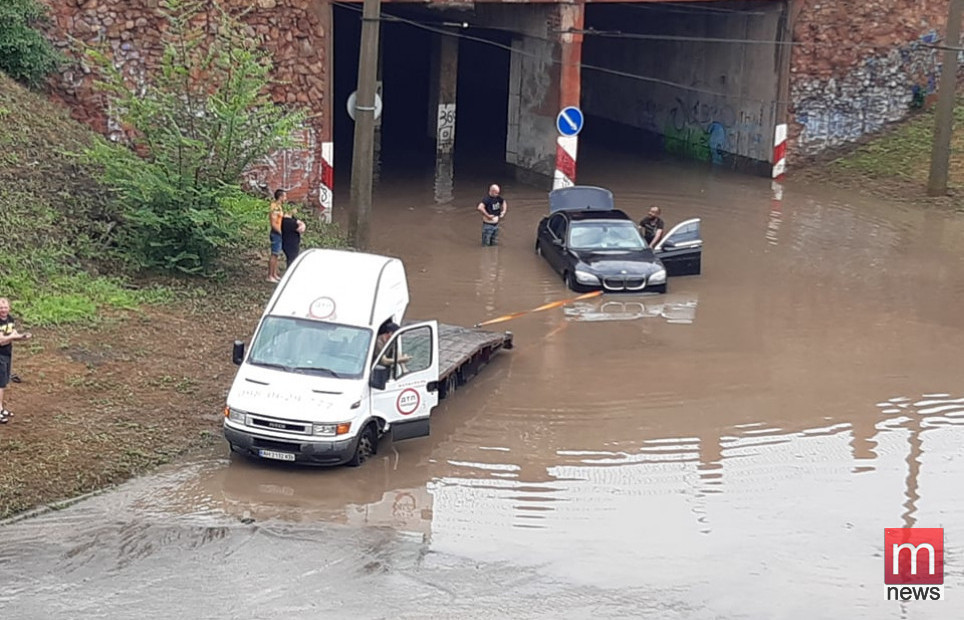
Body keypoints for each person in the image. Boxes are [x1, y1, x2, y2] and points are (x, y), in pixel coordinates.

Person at [0, 298, 31, 424]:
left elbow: (13, 335)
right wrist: (13, 336)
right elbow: (1, 341)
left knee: (4, 382)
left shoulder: (10, 319)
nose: (3, 310)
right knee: (0, 384)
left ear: (9, 308)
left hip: (7, 354)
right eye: (1, 308)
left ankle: (1, 409)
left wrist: (22, 337)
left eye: (5, 307)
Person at [267, 189, 286, 283]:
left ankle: (274, 274)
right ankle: (270, 275)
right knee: (274, 254)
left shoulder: (279, 207)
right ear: (280, 197)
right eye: (284, 196)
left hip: (279, 232)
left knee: (277, 254)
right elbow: (273, 223)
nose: (285, 198)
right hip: (276, 233)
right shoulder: (274, 207)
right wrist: (281, 232)